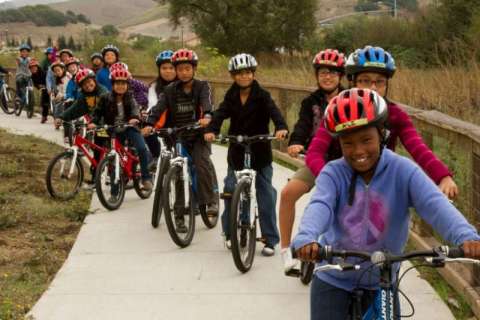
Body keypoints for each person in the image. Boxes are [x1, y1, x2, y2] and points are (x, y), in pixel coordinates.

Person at [292, 88, 480, 320]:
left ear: (382, 134)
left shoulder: (404, 171)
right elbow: (319, 205)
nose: (358, 151)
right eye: (348, 143)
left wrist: (466, 237)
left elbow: (435, 204)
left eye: (366, 140)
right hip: (334, 276)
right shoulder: (333, 173)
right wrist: (307, 237)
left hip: (381, 279)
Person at [305, 46, 458, 202]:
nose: (373, 87)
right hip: (344, 183)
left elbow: (418, 148)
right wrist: (331, 180)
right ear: (352, 82)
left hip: (382, 184)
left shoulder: (396, 115)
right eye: (365, 80)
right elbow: (314, 153)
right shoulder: (337, 111)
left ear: (387, 84)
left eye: (380, 82)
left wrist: (442, 176)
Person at [204, 53, 289, 256]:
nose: (245, 77)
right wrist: (212, 129)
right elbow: (221, 113)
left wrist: (281, 127)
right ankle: (229, 231)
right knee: (230, 189)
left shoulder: (263, 95)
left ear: (253, 74)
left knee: (265, 193)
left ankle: (269, 238)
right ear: (233, 76)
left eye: (248, 72)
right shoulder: (231, 95)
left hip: (260, 150)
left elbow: (274, 113)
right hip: (237, 149)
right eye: (240, 73)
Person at [279, 49, 345, 268]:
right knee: (288, 193)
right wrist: (295, 142)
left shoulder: (349, 98)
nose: (328, 77)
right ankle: (287, 250)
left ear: (341, 76)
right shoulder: (310, 102)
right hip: (316, 160)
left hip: (345, 162)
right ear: (317, 76)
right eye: (323, 73)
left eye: (333, 73)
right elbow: (302, 125)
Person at [143, 48, 218, 233]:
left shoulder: (202, 86)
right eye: (180, 69)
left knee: (201, 163)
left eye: (187, 68)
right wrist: (149, 124)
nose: (183, 72)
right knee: (178, 173)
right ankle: (179, 215)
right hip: (178, 137)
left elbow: (207, 104)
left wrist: (207, 116)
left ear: (194, 69)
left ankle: (210, 202)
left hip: (199, 135)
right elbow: (158, 109)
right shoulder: (169, 90)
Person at [89, 68, 153, 191]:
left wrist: (134, 118)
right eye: (117, 83)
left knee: (141, 148)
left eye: (123, 83)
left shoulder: (130, 98)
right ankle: (114, 192)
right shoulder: (105, 98)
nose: (121, 86)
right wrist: (93, 122)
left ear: (127, 85)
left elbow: (135, 109)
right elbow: (97, 113)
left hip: (129, 128)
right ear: (112, 85)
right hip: (112, 130)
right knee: (114, 159)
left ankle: (146, 178)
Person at [145, 50, 176, 158]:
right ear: (159, 69)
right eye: (164, 68)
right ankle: (156, 158)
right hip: (160, 122)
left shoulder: (182, 84)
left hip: (180, 123)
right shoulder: (154, 86)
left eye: (171, 68)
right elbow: (153, 105)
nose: (168, 71)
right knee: (148, 133)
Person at [50, 61, 71, 136]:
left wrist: (62, 95)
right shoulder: (57, 79)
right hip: (63, 96)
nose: (57, 72)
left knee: (60, 104)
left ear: (63, 69)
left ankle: (59, 119)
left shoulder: (68, 76)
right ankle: (57, 120)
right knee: (55, 102)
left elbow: (68, 89)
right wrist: (57, 95)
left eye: (58, 70)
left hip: (70, 96)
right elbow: (58, 90)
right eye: (55, 71)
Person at [28, 59, 50, 123]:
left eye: (34, 67)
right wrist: (39, 86)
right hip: (44, 89)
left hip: (50, 87)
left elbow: (49, 80)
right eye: (31, 68)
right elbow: (35, 84)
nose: (33, 69)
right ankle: (44, 116)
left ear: (38, 67)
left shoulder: (44, 73)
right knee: (44, 102)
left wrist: (47, 86)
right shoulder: (32, 76)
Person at [15, 43, 32, 108]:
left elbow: (32, 65)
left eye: (26, 52)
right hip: (20, 76)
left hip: (28, 76)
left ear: (28, 52)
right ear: (20, 52)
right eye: (23, 52)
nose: (24, 53)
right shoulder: (19, 59)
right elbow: (20, 63)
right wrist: (19, 60)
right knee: (19, 84)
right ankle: (18, 98)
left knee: (30, 89)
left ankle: (30, 106)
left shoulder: (29, 59)